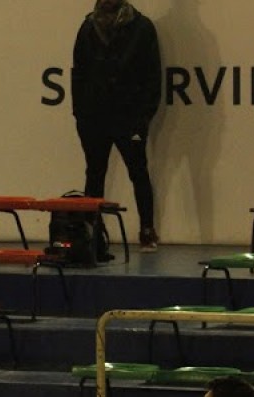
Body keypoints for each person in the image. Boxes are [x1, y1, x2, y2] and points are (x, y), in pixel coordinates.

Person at [72, 0, 162, 252]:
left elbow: (153, 76)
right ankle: (92, 232)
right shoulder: (88, 27)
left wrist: (143, 117)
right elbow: (78, 72)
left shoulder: (142, 27)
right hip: (94, 116)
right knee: (94, 174)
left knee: (139, 172)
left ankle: (147, 230)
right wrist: (79, 112)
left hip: (129, 116)